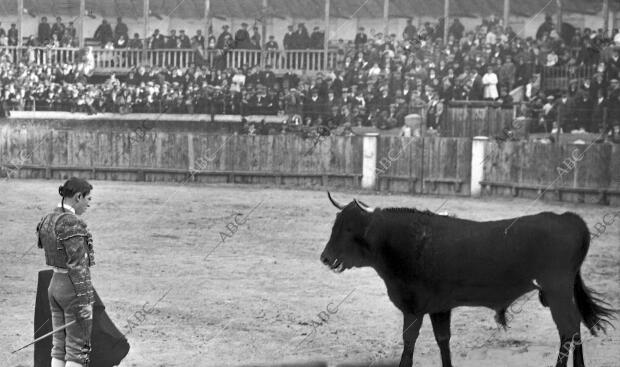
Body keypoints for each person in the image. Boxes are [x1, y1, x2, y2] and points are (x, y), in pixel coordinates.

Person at [36, 177, 95, 367]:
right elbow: (78, 265)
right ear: (78, 196)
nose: (88, 204)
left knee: (59, 346)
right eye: (88, 199)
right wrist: (86, 300)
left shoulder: (48, 218)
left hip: (54, 284)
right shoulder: (71, 222)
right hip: (72, 289)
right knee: (78, 349)